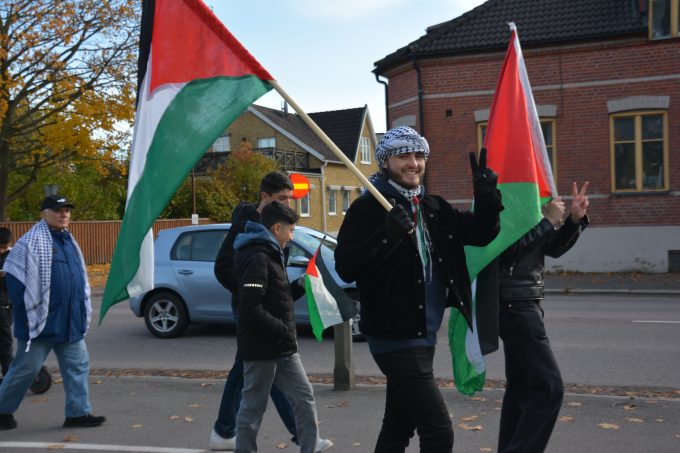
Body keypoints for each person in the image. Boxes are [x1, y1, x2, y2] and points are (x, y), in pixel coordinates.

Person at [334, 126, 503, 452]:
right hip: (393, 336)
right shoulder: (368, 208)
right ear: (385, 162)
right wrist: (387, 235)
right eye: (403, 156)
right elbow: (346, 266)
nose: (412, 163)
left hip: (424, 333)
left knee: (398, 426)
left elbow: (482, 234)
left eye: (418, 155)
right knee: (439, 433)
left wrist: (487, 201)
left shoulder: (433, 207)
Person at [210, 172, 332, 452]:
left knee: (281, 387)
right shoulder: (247, 231)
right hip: (256, 316)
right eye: (282, 199)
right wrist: (251, 296)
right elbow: (223, 268)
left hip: (272, 319)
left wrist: (291, 290)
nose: (288, 205)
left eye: (290, 199)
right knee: (255, 387)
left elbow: (275, 280)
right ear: (265, 198)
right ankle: (226, 431)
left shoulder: (274, 234)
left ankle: (301, 439)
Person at [497, 182, 589, 453]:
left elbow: (552, 248)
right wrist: (547, 222)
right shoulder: (504, 200)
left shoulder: (528, 200)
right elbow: (507, 254)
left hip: (524, 301)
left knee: (521, 389)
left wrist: (574, 220)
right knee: (550, 388)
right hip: (515, 305)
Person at [0, 195, 105, 431]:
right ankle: (2, 411)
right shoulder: (29, 242)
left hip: (70, 322)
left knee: (78, 367)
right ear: (43, 213)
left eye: (67, 210)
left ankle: (78, 413)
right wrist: (29, 313)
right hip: (39, 324)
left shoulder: (69, 242)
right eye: (57, 210)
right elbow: (15, 281)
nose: (64, 214)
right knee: (25, 370)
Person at [0, 228, 13, 382]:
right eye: (1, 247)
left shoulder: (12, 255)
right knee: (6, 340)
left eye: (6, 246)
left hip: (9, 302)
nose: (3, 250)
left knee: (3, 340)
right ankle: (8, 375)